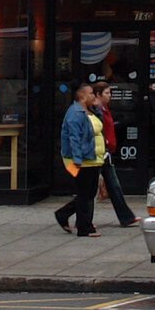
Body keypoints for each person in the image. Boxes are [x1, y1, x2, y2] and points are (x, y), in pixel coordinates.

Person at [91, 81, 141, 229]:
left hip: (106, 153)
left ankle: (126, 217)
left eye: (110, 93)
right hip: (101, 153)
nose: (110, 96)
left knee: (114, 186)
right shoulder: (97, 109)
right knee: (91, 189)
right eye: (107, 93)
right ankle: (74, 216)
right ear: (98, 94)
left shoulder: (104, 108)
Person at [56, 83, 103, 237]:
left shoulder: (88, 111)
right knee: (84, 193)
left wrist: (97, 107)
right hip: (81, 160)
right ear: (82, 96)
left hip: (92, 158)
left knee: (89, 193)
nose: (93, 96)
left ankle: (63, 214)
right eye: (91, 94)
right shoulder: (75, 113)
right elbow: (74, 138)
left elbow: (99, 123)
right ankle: (84, 228)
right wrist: (77, 158)